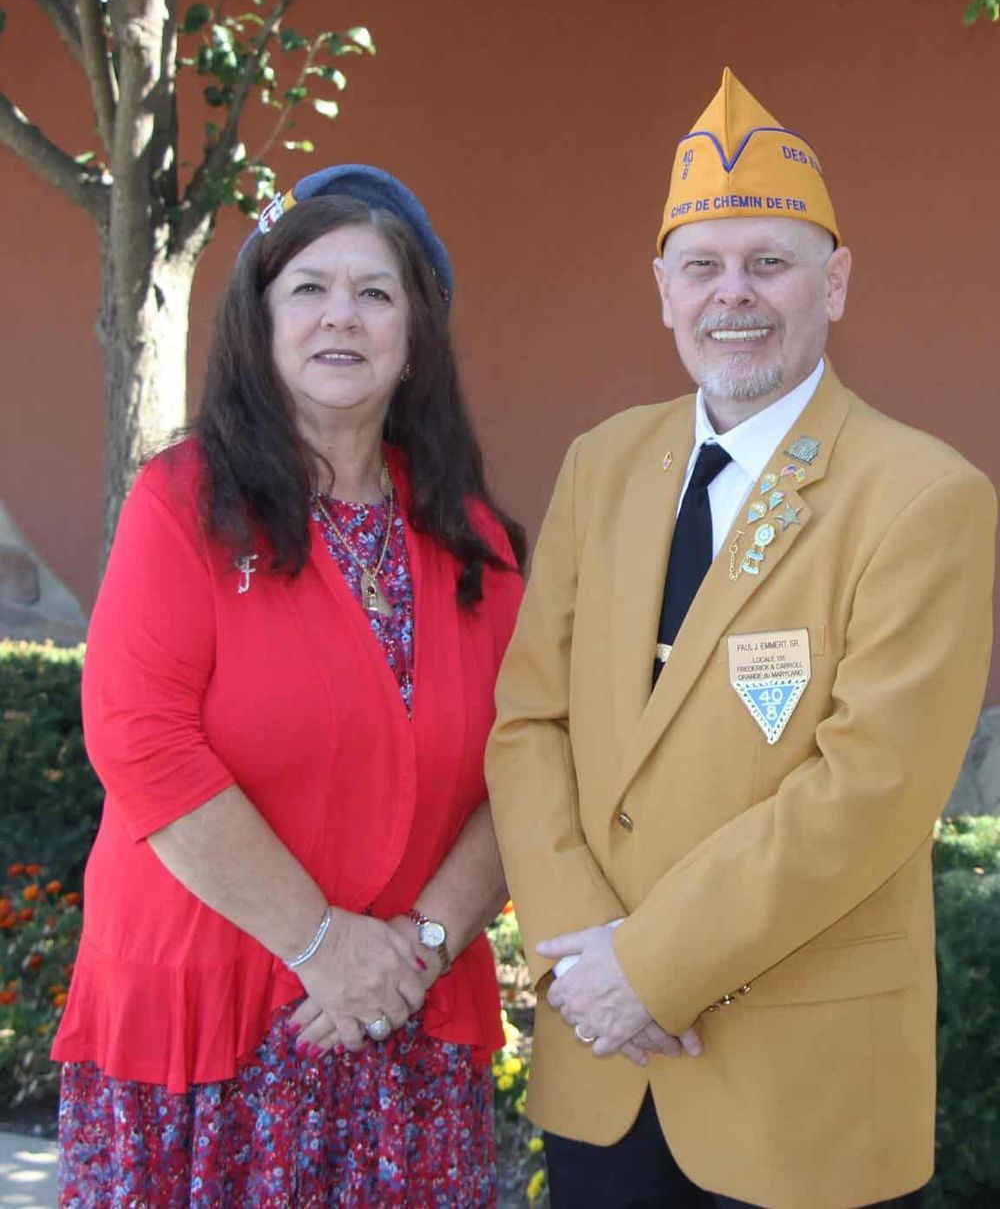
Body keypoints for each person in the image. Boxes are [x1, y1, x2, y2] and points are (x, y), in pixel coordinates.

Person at [485, 70, 997, 1209]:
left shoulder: (923, 496)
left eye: (770, 262)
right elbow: (530, 723)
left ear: (836, 280)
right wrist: (581, 951)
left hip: (801, 1096)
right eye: (704, 267)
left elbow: (871, 789)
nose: (736, 297)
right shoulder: (600, 463)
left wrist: (650, 967)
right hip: (601, 1063)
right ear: (661, 290)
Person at [52, 165, 524, 1207]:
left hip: (404, 1019)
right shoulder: (182, 505)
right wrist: (320, 945)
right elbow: (140, 739)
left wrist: (415, 952)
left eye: (375, 292)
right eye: (308, 287)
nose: (339, 317)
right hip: (208, 1027)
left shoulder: (475, 542)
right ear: (259, 321)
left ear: (416, 336)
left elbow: (527, 761)